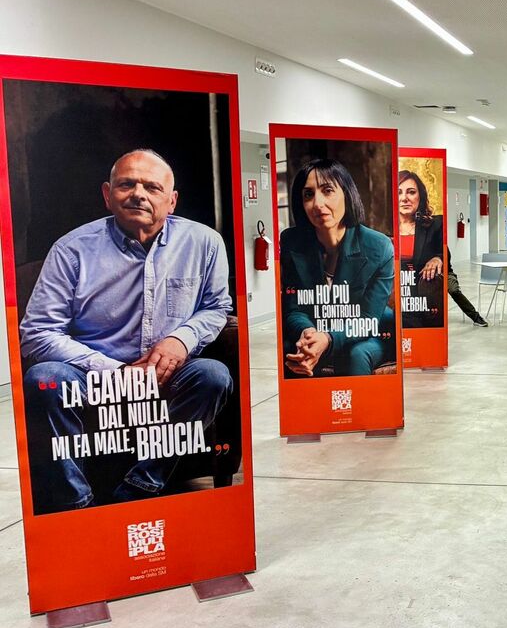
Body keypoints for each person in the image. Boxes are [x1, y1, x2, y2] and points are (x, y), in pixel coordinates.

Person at [20, 149, 234, 512]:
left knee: (213, 375)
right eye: (126, 184)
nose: (138, 194)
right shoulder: (71, 250)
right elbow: (38, 332)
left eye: (152, 187)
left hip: (169, 372)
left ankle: (140, 488)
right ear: (108, 194)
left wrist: (180, 340)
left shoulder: (205, 243)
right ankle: (77, 504)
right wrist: (114, 371)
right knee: (45, 380)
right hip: (90, 374)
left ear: (171, 200)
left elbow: (216, 307)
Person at [279, 158, 395, 378]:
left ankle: (359, 403)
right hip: (316, 328)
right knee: (292, 350)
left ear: (347, 194)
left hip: (370, 332)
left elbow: (369, 318)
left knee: (356, 355)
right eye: (308, 194)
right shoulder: (292, 242)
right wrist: (308, 333)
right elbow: (294, 308)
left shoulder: (378, 246)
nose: (317, 203)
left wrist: (328, 338)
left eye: (328, 190)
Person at [397, 169, 445, 329]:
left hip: (421, 293)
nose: (404, 198)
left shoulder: (435, 225)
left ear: (420, 196)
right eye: (399, 192)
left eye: (411, 192)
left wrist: (438, 258)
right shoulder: (381, 231)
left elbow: (445, 252)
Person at [446, 249, 488, 326]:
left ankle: (476, 317)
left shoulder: (442, 244)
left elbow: (446, 257)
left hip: (446, 273)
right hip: (426, 274)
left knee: (454, 291)